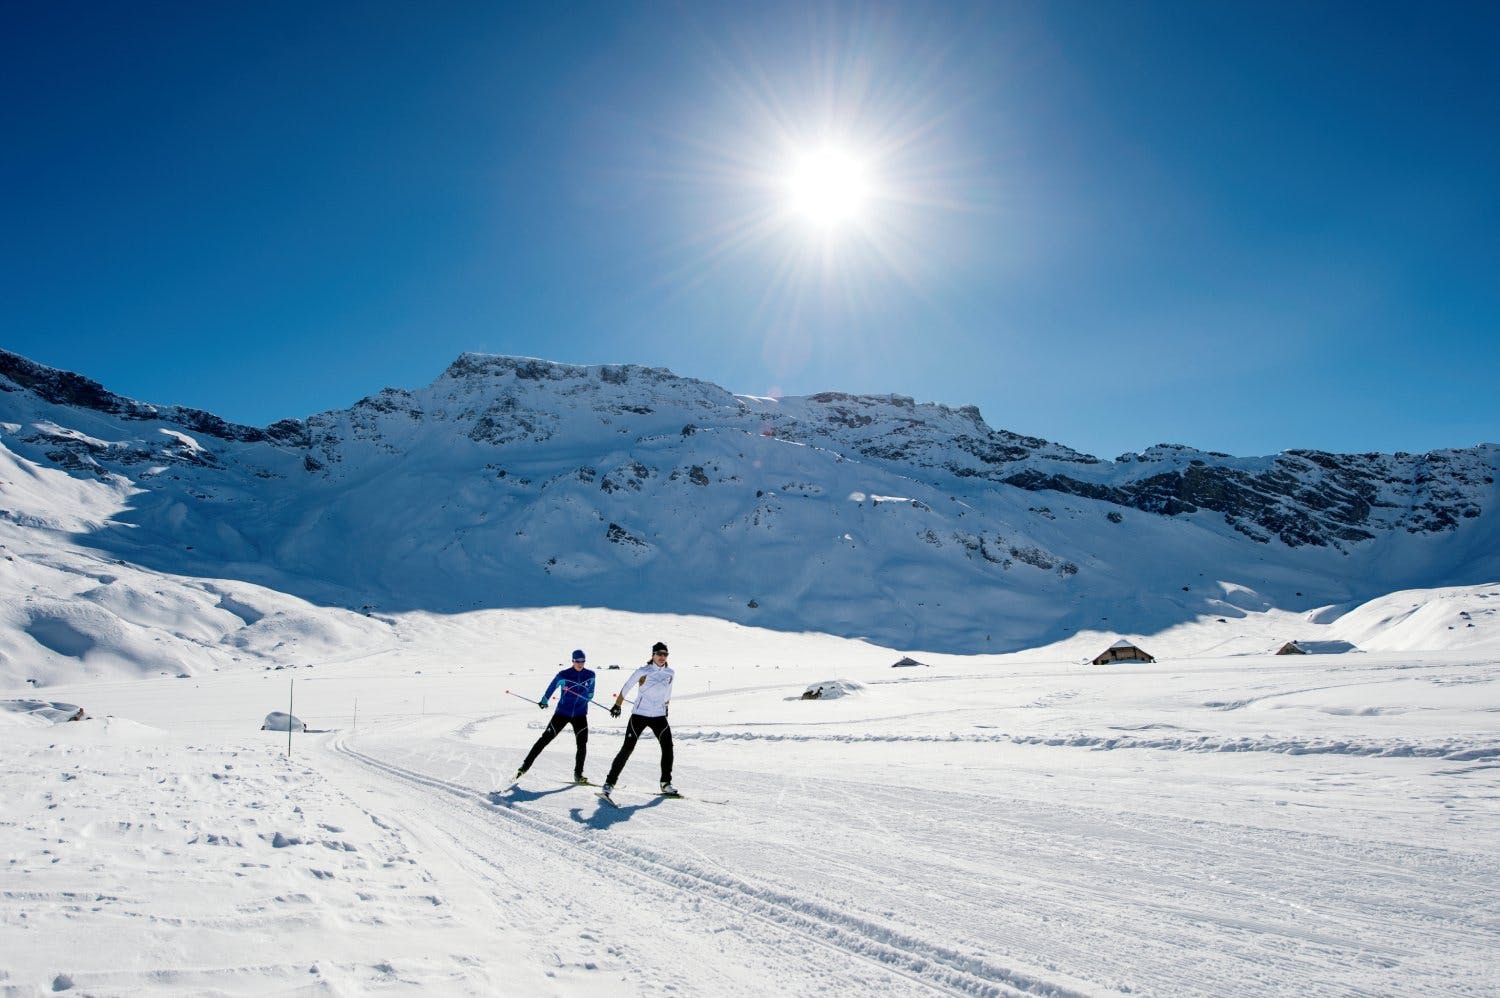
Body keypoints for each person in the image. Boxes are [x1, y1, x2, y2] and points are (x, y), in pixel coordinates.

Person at [600, 641, 677, 801]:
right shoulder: (643, 671)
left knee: (668, 747)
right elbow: (627, 685)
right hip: (639, 715)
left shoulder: (670, 673)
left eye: (665, 654)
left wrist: (666, 706)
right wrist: (618, 704)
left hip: (659, 716)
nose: (662, 657)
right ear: (653, 655)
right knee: (627, 749)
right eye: (659, 654)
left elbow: (668, 692)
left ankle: (665, 782)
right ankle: (609, 784)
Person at [515, 649, 595, 784]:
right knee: (544, 739)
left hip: (580, 715)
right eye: (577, 661)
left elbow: (591, 691)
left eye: (582, 661)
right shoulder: (564, 675)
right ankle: (524, 767)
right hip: (562, 713)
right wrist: (545, 700)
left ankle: (578, 774)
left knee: (582, 744)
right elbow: (552, 686)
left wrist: (588, 697)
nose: (580, 664)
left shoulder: (590, 675)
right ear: (573, 661)